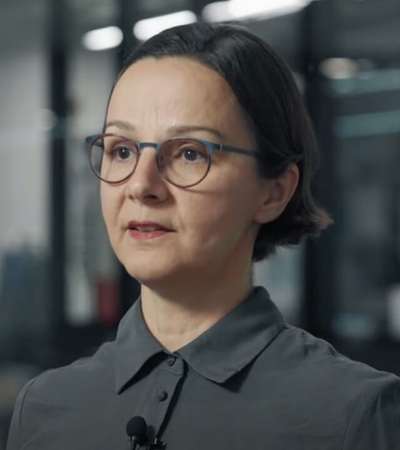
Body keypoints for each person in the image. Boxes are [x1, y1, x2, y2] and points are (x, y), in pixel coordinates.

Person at [6, 21, 400, 450]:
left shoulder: (351, 414)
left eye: (190, 153)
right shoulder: (44, 410)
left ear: (273, 192)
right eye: (122, 150)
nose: (141, 185)